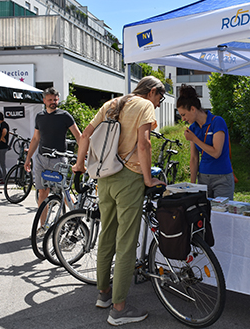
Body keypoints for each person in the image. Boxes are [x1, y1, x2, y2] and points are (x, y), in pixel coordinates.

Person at [73, 76, 165, 326]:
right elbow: (144, 144)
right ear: (153, 91)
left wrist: (80, 164)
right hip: (130, 178)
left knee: (107, 234)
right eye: (160, 98)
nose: (158, 104)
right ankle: (119, 308)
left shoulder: (112, 104)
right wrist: (148, 179)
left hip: (105, 177)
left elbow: (85, 137)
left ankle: (104, 295)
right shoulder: (143, 106)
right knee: (126, 242)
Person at [24, 87, 82, 217]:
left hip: (58, 160)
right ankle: (42, 228)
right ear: (44, 100)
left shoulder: (64, 116)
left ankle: (76, 218)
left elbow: (79, 137)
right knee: (42, 194)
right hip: (41, 159)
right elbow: (35, 138)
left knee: (64, 192)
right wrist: (28, 159)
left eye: (55, 99)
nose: (53, 102)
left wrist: (82, 157)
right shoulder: (40, 117)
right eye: (50, 99)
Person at [177, 84, 234, 200]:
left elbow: (216, 152)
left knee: (222, 215)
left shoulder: (217, 122)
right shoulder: (193, 129)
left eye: (183, 115)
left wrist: (195, 139)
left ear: (193, 109)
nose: (182, 119)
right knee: (204, 215)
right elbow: (194, 158)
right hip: (203, 178)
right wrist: (192, 185)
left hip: (222, 178)